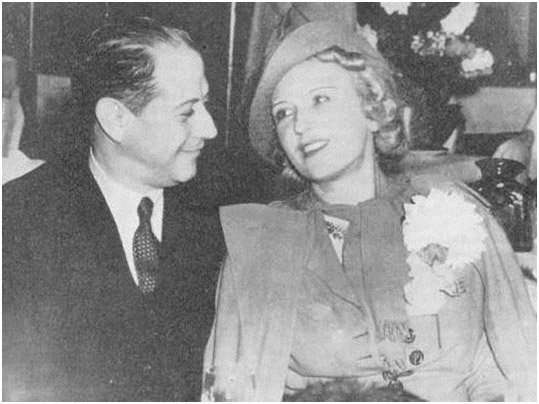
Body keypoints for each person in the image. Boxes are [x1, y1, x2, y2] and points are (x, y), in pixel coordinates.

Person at [202, 20, 536, 401]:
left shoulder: (452, 211)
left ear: (374, 108)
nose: (300, 125)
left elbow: (515, 370)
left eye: (320, 99)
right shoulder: (261, 242)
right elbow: (229, 390)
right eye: (283, 113)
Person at [3, 17, 233, 401]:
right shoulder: (19, 220)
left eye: (205, 104)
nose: (210, 129)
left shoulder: (229, 218)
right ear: (116, 119)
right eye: (186, 112)